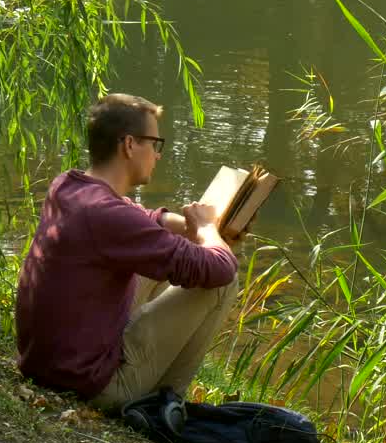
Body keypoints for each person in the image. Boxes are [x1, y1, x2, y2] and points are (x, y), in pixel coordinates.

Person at [15, 93, 240, 412]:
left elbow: (139, 217)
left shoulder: (69, 186)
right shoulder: (108, 217)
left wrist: (192, 226)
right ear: (130, 145)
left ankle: (159, 393)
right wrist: (207, 231)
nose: (158, 155)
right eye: (155, 144)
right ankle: (164, 402)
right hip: (90, 384)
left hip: (45, 363)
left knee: (176, 256)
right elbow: (219, 269)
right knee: (223, 280)